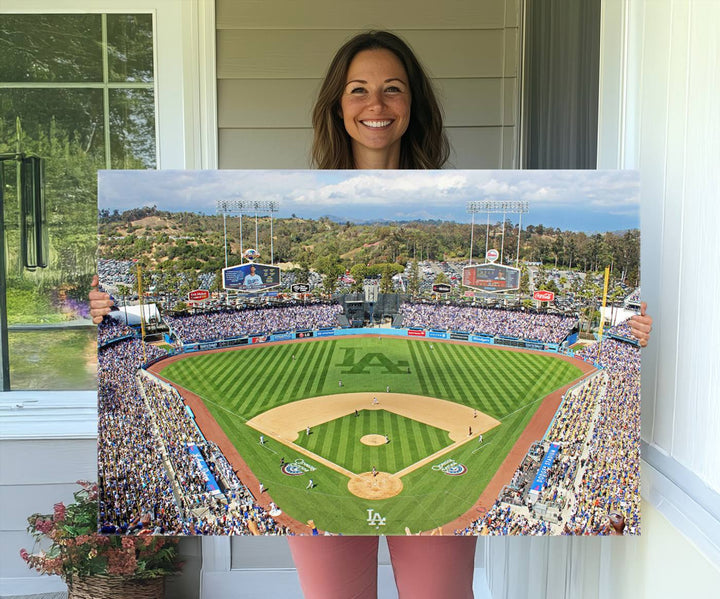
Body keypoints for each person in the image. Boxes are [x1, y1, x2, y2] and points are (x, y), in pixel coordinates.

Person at [88, 29, 654, 599]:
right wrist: (108, 311)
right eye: (358, 90)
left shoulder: (455, 192)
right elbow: (109, 315)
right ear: (338, 104)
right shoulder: (299, 191)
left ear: (413, 105)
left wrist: (628, 330)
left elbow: (620, 329)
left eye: (393, 89)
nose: (375, 105)